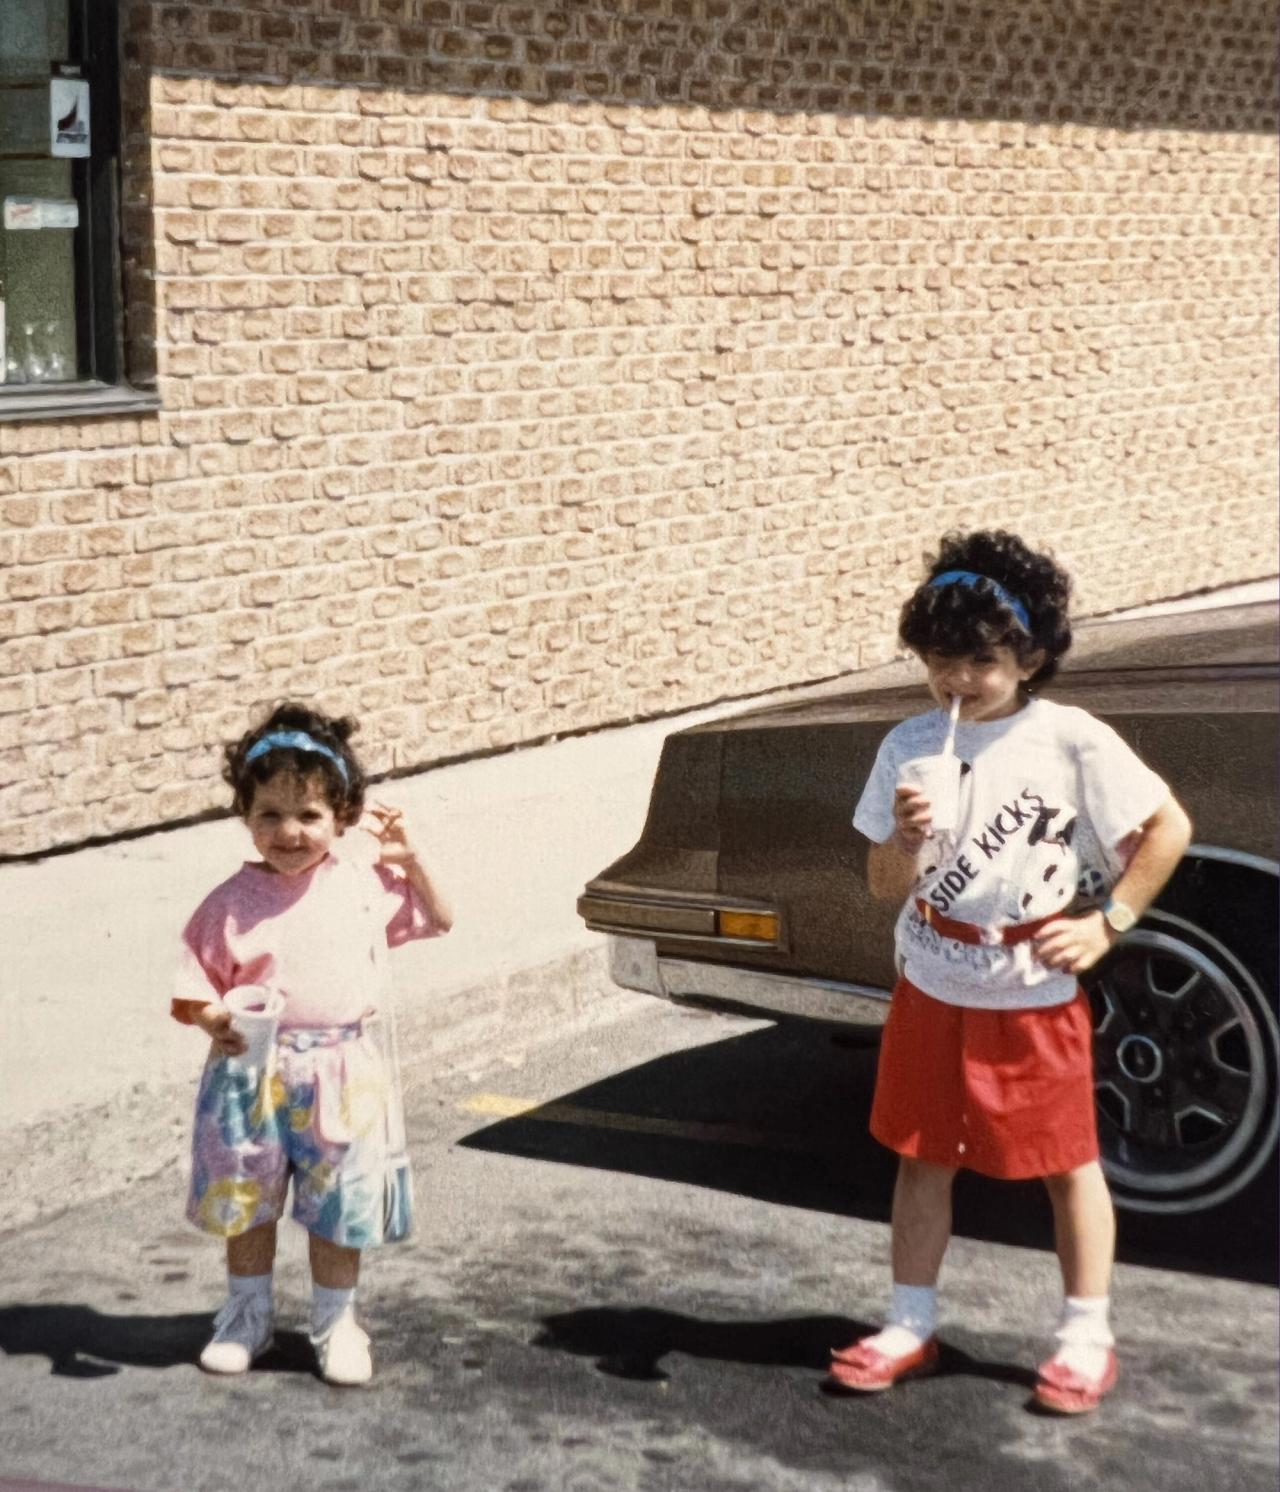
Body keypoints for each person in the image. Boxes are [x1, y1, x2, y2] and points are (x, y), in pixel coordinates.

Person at [831, 531, 1191, 1414]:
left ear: (1028, 656)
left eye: (981, 661)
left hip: (1028, 985)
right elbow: (884, 885)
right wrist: (908, 837)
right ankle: (909, 1323)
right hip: (934, 979)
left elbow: (1167, 827)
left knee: (1068, 1164)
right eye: (940, 661)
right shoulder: (909, 746)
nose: (957, 680)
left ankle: (1084, 1334)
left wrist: (1109, 922)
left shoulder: (1069, 739)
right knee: (921, 1159)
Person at [171, 702, 452, 1386]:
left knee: (339, 1208)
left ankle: (336, 1322)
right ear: (246, 814)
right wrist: (213, 1019)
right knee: (249, 1199)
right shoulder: (229, 902)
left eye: (309, 817)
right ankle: (247, 1317)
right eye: (269, 814)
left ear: (343, 819)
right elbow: (190, 989)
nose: (289, 832)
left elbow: (439, 919)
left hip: (341, 1072)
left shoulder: (360, 886)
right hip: (249, 1073)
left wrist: (412, 863)